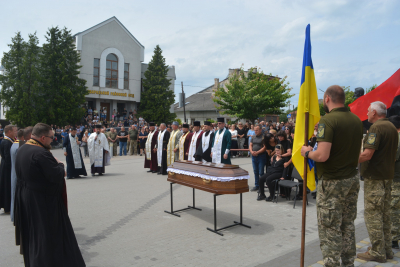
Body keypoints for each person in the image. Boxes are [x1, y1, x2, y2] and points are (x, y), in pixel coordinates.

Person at [300, 85, 363, 267]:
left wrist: (306, 152)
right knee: (347, 224)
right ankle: (348, 262)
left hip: (333, 182)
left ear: (327, 99)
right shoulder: (356, 120)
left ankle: (332, 264)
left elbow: (322, 155)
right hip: (351, 179)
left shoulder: (327, 121)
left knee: (330, 228)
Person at [14, 123, 85, 267]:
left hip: (25, 197)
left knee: (32, 234)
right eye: (51, 137)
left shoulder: (23, 148)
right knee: (46, 236)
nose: (53, 140)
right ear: (42, 137)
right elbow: (58, 174)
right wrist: (60, 164)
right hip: (42, 201)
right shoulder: (41, 153)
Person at [357, 101, 398, 262]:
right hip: (387, 176)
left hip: (375, 178)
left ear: (374, 112)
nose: (367, 114)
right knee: (385, 215)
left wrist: (347, 159)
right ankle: (387, 249)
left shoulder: (376, 128)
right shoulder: (391, 128)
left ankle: (377, 251)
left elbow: (367, 154)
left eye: (368, 111)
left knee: (373, 215)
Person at [10, 127, 32, 222]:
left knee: (14, 194)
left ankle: (14, 215)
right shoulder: (20, 146)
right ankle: (17, 216)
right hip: (19, 174)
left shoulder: (14, 145)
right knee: (17, 196)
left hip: (14, 172)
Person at [389, 115, 400, 249]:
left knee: (394, 210)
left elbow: (393, 158)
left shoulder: (396, 139)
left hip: (396, 180)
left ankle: (393, 239)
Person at [0, 125, 17, 214]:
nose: (16, 132)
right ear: (9, 132)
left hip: (7, 167)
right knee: (7, 186)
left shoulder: (10, 140)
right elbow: (7, 157)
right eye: (15, 131)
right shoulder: (6, 142)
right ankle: (7, 206)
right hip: (7, 168)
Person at [249, 125, 266, 192]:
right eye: (255, 130)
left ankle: (261, 187)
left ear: (260, 130)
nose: (255, 131)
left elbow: (265, 147)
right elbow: (250, 145)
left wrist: (257, 152)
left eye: (257, 130)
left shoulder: (263, 137)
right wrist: (251, 151)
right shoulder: (253, 137)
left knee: (261, 172)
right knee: (255, 171)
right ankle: (257, 185)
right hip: (254, 156)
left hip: (261, 156)